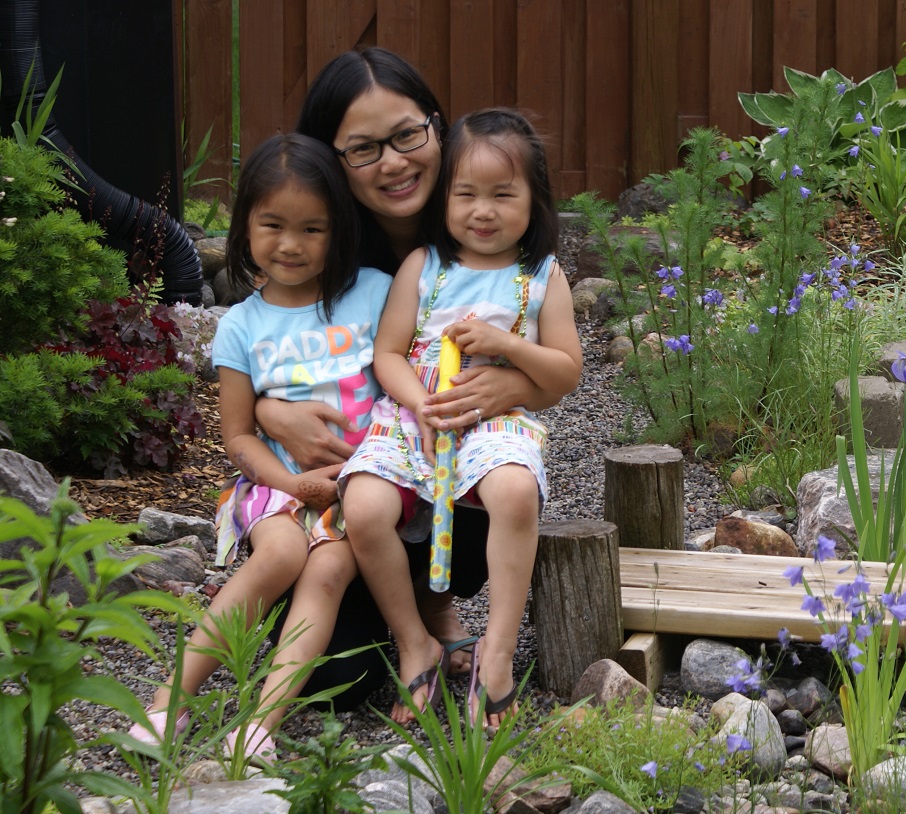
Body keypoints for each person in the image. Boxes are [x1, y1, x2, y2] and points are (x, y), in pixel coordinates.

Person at [255, 48, 568, 697]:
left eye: (406, 135)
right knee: (338, 677)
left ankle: (454, 619)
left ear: (436, 126)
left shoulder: (498, 245)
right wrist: (267, 410)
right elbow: (265, 349)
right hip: (355, 483)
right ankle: (419, 626)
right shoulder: (322, 246)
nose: (394, 162)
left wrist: (512, 380)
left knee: (505, 487)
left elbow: (560, 365)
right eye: (364, 149)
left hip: (467, 463)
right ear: (331, 159)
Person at [130, 134, 393, 759]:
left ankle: (261, 725)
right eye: (272, 224)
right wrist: (289, 483)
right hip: (275, 485)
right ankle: (169, 701)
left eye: (312, 228)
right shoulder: (241, 326)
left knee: (327, 570)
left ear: (339, 231)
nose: (291, 244)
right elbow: (238, 434)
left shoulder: (374, 293)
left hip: (359, 491)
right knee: (279, 558)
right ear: (244, 224)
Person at [340, 109, 581, 724]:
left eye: (505, 194)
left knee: (515, 491)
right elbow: (388, 353)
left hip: (496, 419)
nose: (484, 210)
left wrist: (510, 347)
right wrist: (417, 402)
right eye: (466, 193)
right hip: (414, 413)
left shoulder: (541, 278)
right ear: (444, 198)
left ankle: (495, 653)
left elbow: (565, 373)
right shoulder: (425, 268)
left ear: (535, 201)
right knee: (365, 505)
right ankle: (412, 638)